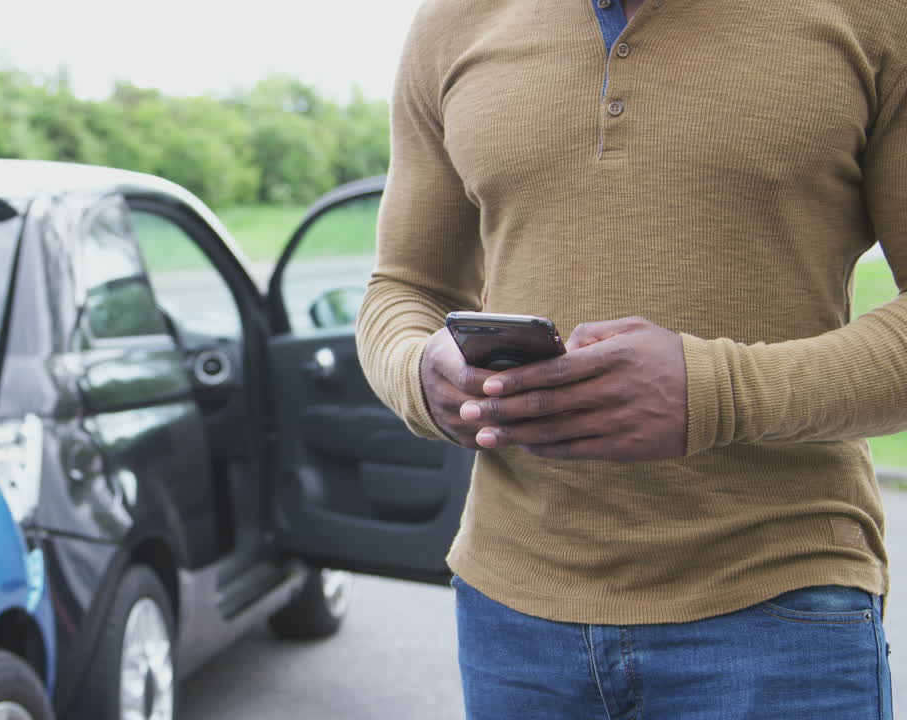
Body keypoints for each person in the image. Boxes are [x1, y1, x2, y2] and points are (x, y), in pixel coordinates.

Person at [355, 0, 905, 717]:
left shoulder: (873, 14)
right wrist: (420, 374)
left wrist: (718, 391)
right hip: (512, 616)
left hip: (780, 607)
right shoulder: (452, 20)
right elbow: (404, 287)